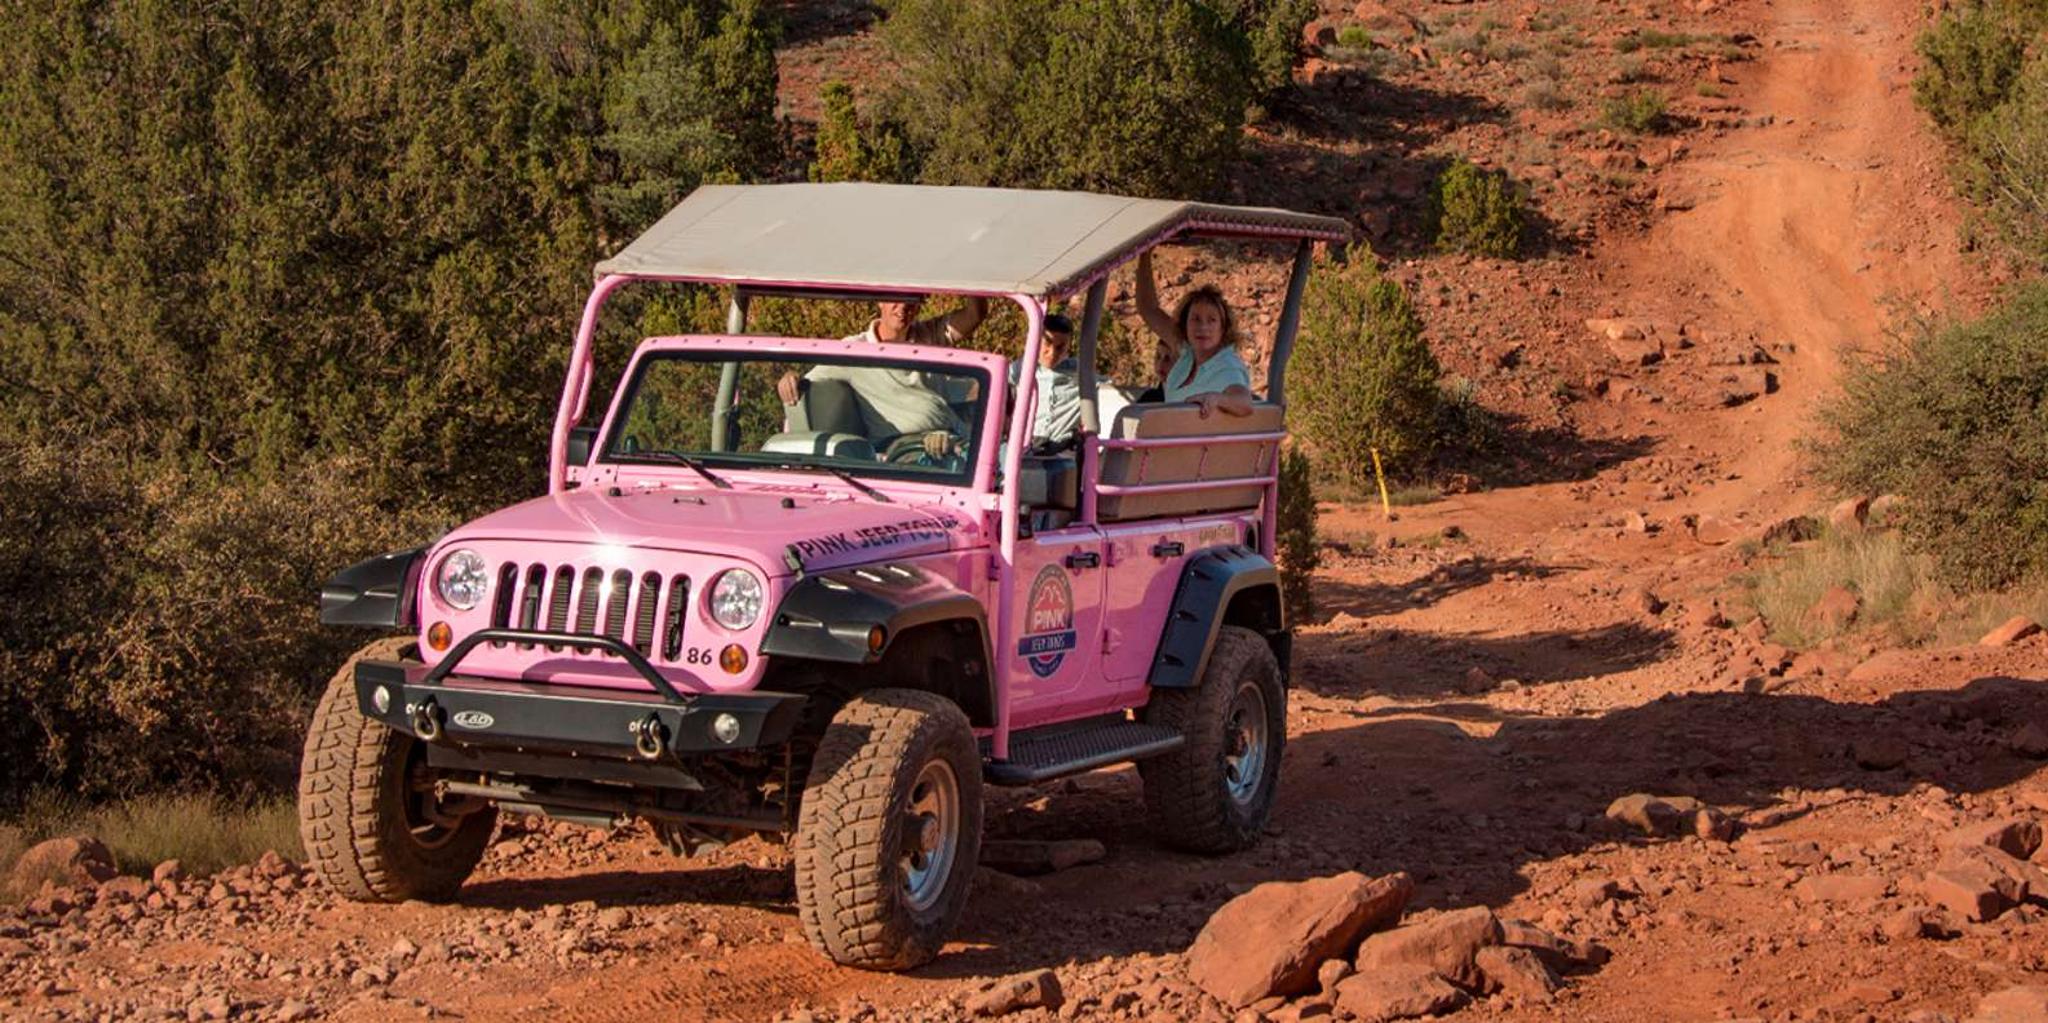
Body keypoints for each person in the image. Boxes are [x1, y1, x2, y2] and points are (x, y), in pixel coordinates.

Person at [777, 296, 989, 459]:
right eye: (895, 299)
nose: (903, 307)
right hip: (905, 451)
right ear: (880, 302)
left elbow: (974, 315)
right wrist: (789, 378)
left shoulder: (929, 334)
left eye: (911, 299)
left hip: (954, 436)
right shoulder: (854, 350)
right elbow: (808, 380)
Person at [1133, 250, 1256, 418]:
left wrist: (1217, 399)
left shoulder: (1227, 365)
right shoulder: (1187, 354)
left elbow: (1245, 402)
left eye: (1211, 320)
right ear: (1185, 325)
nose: (1203, 327)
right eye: (1195, 319)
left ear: (1223, 327)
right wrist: (1145, 253)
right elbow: (1148, 308)